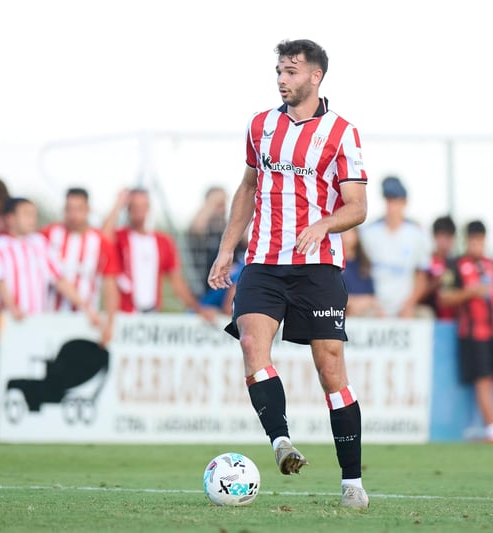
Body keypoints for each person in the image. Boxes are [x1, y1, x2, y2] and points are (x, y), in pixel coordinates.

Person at [206, 39, 369, 508]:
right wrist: (227, 248)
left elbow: (358, 206)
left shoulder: (342, 133)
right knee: (252, 346)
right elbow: (248, 187)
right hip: (263, 261)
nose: (282, 79)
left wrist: (323, 224)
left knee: (330, 369)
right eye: (279, 70)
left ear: (316, 76)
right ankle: (280, 442)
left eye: (292, 71)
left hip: (317, 265)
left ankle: (352, 483)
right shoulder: (260, 125)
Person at [439, 221, 493, 443]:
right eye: (473, 241)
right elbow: (444, 297)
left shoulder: (492, 265)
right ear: (467, 241)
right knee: (484, 380)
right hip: (472, 332)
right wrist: (471, 292)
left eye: (481, 241)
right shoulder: (454, 265)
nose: (477, 245)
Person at [0, 198, 100, 327]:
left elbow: (59, 280)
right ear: (10, 218)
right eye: (26, 214)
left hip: (36, 320)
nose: (32, 219)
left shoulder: (39, 243)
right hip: (5, 320)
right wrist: (12, 308)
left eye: (34, 215)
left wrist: (85, 307)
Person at [102, 188, 215, 323]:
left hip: (152, 314)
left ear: (148, 208)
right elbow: (103, 237)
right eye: (134, 206)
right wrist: (118, 204)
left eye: (142, 206)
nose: (138, 210)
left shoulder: (163, 241)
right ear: (128, 208)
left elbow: (177, 282)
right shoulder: (121, 237)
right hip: (124, 315)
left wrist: (198, 309)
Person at [41, 188, 120, 345]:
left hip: (86, 322)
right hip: (49, 318)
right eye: (69, 209)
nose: (73, 215)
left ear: (88, 210)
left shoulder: (100, 242)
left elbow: (110, 285)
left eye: (79, 209)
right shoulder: (48, 235)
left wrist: (110, 323)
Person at [359, 176, 430, 318]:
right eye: (388, 200)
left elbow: (422, 277)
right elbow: (361, 271)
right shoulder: (369, 233)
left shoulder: (417, 234)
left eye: (395, 201)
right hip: (375, 307)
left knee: (426, 316)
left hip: (405, 307)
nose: (391, 206)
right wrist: (371, 303)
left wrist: (409, 305)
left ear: (404, 203)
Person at [187, 186, 229, 299]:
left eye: (223, 203)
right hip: (205, 290)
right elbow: (197, 227)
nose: (222, 208)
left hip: (226, 287)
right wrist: (212, 202)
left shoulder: (227, 228)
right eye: (218, 204)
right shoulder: (201, 227)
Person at [341, 228, 382, 317]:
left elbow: (371, 295)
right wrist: (351, 302)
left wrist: (364, 303)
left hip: (364, 311)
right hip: (342, 311)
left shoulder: (363, 264)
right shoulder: (335, 265)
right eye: (343, 232)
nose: (345, 236)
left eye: (349, 232)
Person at [423, 215, 458, 320]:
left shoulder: (459, 264)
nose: (446, 242)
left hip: (455, 320)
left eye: (449, 237)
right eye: (442, 237)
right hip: (432, 319)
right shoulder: (426, 262)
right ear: (434, 237)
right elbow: (418, 293)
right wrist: (437, 282)